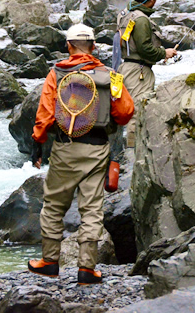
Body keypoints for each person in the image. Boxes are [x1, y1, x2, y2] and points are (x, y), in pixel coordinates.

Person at [27, 24, 134, 284]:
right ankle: (87, 268)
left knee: (53, 205)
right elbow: (125, 113)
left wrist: (38, 143)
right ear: (94, 47)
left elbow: (45, 114)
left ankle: (49, 262)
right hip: (97, 149)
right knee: (92, 209)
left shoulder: (57, 73)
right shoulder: (111, 76)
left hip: (65, 147)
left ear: (68, 46)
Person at [115, 0, 177, 147]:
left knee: (127, 111)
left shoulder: (125, 14)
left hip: (125, 68)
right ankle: (134, 153)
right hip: (138, 72)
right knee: (137, 112)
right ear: (153, 0)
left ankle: (126, 150)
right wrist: (165, 53)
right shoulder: (141, 19)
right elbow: (144, 49)